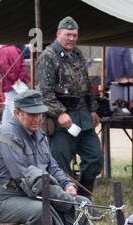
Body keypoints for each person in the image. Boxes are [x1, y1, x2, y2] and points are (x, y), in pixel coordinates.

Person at [0, 89, 88, 225]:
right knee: (41, 210)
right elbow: (25, 178)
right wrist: (61, 197)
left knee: (83, 204)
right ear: (17, 113)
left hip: (40, 193)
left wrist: (67, 185)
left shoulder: (39, 133)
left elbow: (52, 165)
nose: (37, 119)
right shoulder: (8, 133)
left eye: (40, 114)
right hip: (7, 198)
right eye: (32, 114)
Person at [36, 16, 103, 197]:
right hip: (60, 120)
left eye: (74, 35)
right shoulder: (48, 57)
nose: (72, 38)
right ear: (59, 34)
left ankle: (83, 199)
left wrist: (92, 109)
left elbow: (86, 85)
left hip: (82, 115)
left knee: (95, 158)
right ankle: (65, 203)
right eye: (68, 35)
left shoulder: (77, 54)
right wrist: (59, 113)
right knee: (60, 164)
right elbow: (44, 92)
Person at [0, 43, 26, 114]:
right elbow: (23, 65)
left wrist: (14, 79)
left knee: (12, 106)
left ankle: (17, 123)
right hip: (20, 82)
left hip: (9, 83)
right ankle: (5, 124)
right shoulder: (16, 49)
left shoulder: (2, 51)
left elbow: (4, 67)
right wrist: (20, 78)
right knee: (8, 105)